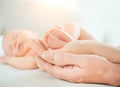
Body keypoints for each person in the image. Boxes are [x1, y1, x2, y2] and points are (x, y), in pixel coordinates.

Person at [32, 27, 120, 85]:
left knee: (88, 46)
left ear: (32, 32)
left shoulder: (67, 27)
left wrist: (71, 39)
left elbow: (77, 27)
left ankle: (71, 44)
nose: (17, 42)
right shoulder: (33, 49)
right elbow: (31, 62)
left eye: (18, 35)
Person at [1, 22, 94, 69]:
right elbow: (31, 63)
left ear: (32, 32)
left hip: (82, 44)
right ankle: (70, 45)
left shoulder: (46, 36)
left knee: (71, 24)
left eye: (15, 36)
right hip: (75, 55)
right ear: (16, 57)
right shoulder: (32, 55)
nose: (14, 43)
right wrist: (8, 60)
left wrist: (62, 33)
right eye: (10, 48)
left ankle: (69, 40)